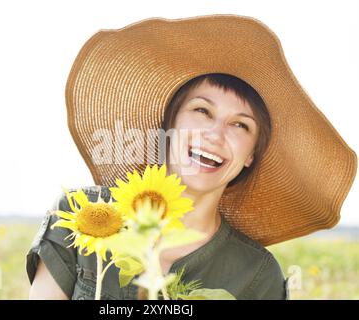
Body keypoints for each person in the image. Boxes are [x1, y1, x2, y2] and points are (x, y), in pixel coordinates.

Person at [26, 14, 357, 300]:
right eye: (202, 111)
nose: (214, 135)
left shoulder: (256, 274)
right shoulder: (84, 214)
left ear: (250, 156)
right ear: (171, 123)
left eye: (240, 125)